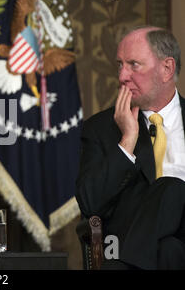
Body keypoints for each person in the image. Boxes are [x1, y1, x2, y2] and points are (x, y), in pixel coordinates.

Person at [76, 26, 185, 270]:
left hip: (124, 259)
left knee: (173, 188)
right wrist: (127, 140)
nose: (122, 76)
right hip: (157, 251)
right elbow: (89, 205)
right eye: (120, 65)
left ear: (167, 69)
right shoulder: (100, 129)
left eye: (134, 65)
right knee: (169, 249)